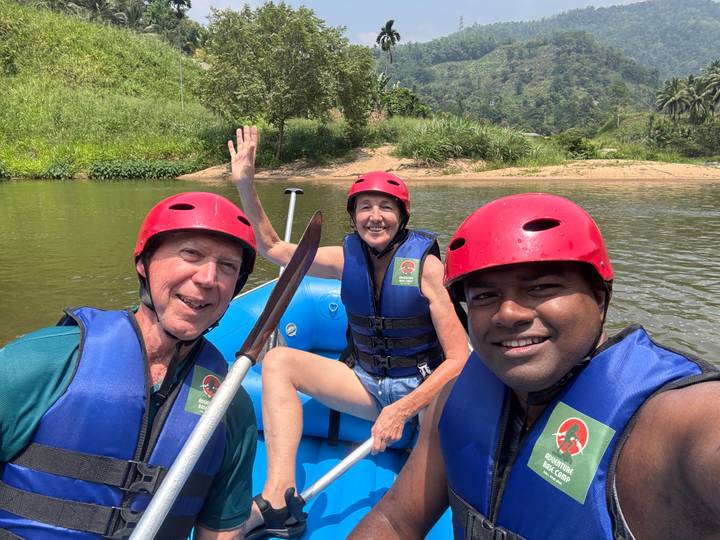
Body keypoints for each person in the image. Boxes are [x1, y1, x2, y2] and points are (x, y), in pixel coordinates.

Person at [350, 193, 720, 540]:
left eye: (541, 287)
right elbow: (395, 520)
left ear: (600, 297)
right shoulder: (454, 398)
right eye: (485, 296)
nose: (508, 313)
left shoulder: (672, 421)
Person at [228, 126, 468, 539]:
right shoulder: (344, 259)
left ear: (401, 216)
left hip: (422, 391)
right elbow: (273, 248)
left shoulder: (426, 268)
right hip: (367, 384)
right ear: (354, 215)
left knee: (450, 404)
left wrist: (403, 409)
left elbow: (459, 358)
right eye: (365, 207)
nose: (375, 216)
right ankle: (279, 496)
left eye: (386, 207)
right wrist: (246, 184)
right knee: (280, 361)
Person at [0, 192, 259, 539]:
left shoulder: (230, 407)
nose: (208, 278)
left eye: (228, 267)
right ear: (144, 262)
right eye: (191, 254)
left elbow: (220, 533)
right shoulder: (40, 363)